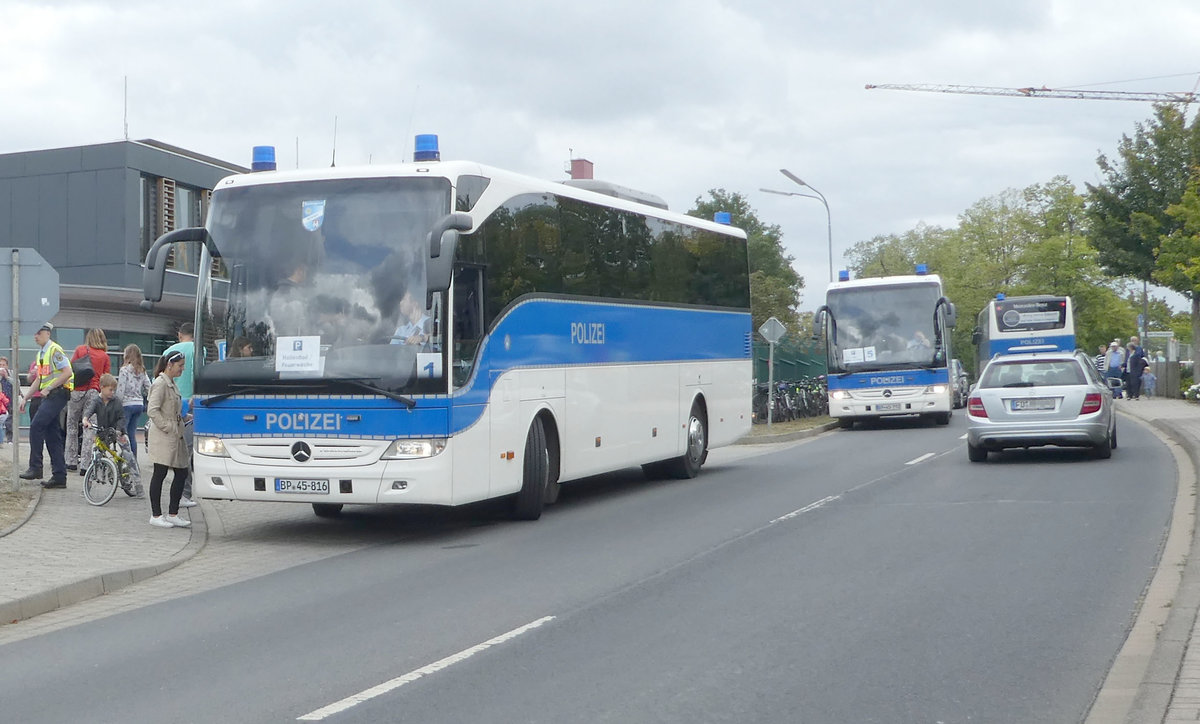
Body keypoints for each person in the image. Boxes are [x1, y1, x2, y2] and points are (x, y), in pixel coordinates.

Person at [18, 322, 73, 488]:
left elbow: (68, 372)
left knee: (36, 425)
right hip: (51, 396)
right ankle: (59, 476)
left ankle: (36, 467)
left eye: (38, 333)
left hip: (58, 394)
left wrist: (49, 388)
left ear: (47, 333)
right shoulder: (41, 353)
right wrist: (26, 397)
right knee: (52, 435)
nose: (35, 336)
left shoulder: (54, 350)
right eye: (34, 334)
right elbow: (39, 379)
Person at [146, 350, 192, 528]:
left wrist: (185, 416)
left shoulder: (172, 383)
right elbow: (152, 410)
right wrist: (168, 426)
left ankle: (173, 513)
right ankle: (156, 515)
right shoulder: (160, 383)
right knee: (160, 472)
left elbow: (172, 408)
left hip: (176, 434)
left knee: (181, 471)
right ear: (169, 365)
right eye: (180, 366)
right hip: (165, 436)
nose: (182, 369)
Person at [82, 373, 143, 497]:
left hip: (117, 431)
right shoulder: (96, 400)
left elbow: (122, 418)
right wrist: (85, 419)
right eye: (110, 389)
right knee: (95, 454)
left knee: (128, 455)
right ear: (102, 387)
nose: (112, 392)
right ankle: (87, 485)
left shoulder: (116, 402)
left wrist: (119, 430)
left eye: (114, 390)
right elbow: (89, 410)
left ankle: (138, 484)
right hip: (103, 432)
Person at [66, 328, 111, 473]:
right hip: (94, 391)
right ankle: (86, 465)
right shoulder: (104, 356)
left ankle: (71, 461)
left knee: (72, 425)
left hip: (77, 390)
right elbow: (106, 378)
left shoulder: (80, 350)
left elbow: (71, 368)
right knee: (89, 428)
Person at [161, 323, 197, 505]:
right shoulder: (199, 350)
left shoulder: (170, 349)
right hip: (192, 402)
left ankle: (182, 492)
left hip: (174, 403)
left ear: (180, 335)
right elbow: (196, 375)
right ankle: (184, 493)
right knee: (187, 451)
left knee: (181, 450)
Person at [116, 344, 152, 456]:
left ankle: (127, 457)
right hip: (139, 404)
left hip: (127, 404)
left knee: (123, 433)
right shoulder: (142, 371)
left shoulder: (124, 370)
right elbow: (149, 387)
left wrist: (117, 404)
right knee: (132, 433)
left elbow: (121, 389)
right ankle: (134, 459)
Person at [0, 356, 13, 442]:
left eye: (3, 365)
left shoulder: (11, 373)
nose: (2, 366)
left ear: (7, 366)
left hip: (10, 399)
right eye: (0, 364)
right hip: (1, 401)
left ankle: (10, 439)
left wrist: (6, 376)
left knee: (10, 421)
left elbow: (16, 383)